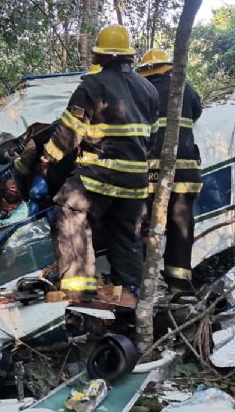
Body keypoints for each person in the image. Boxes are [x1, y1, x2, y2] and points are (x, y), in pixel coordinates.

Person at [41, 24, 159, 308]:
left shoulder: (91, 86)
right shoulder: (150, 90)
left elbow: (68, 133)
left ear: (101, 56)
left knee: (69, 214)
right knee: (127, 237)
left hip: (99, 175)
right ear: (129, 56)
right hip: (135, 182)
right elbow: (153, 138)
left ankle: (79, 295)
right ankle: (130, 301)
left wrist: (47, 160)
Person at [137, 49, 203, 294]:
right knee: (181, 226)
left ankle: (144, 282)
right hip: (185, 175)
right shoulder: (185, 88)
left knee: (143, 225)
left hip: (150, 174)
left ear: (145, 71)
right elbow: (197, 112)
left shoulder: (140, 91)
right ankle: (179, 284)